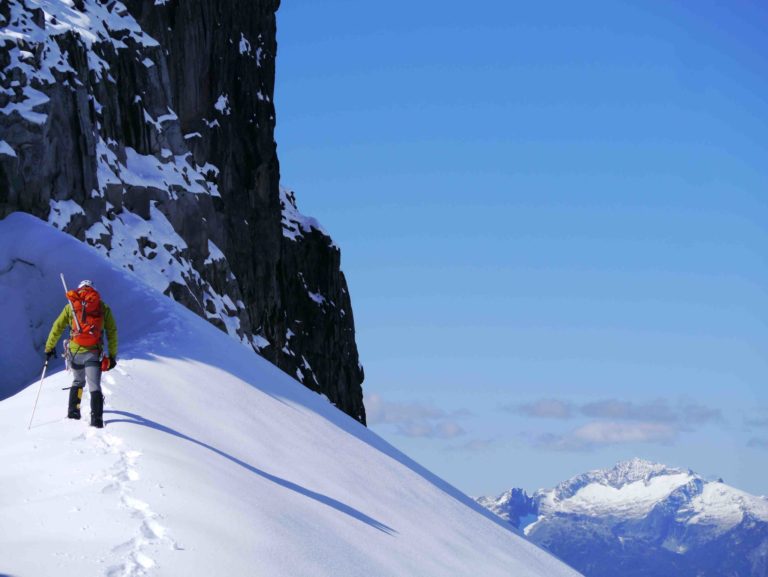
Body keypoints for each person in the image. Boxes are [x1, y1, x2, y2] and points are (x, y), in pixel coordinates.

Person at [44, 280, 118, 428]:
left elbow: (57, 327)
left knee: (78, 382)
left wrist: (49, 347)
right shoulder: (103, 308)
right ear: (93, 291)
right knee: (94, 386)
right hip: (93, 352)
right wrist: (112, 356)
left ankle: (73, 412)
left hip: (75, 351)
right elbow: (112, 332)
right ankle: (96, 420)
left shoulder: (71, 306)